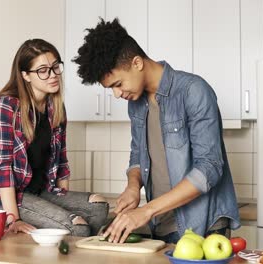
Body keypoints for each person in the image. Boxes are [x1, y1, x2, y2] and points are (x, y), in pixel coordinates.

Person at [72, 19, 240, 243]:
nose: (117, 94)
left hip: (204, 225)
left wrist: (146, 210)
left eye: (118, 84)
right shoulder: (136, 103)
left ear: (137, 63)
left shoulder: (193, 90)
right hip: (163, 223)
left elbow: (210, 167)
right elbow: (137, 155)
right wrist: (133, 187)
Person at [0, 39, 109, 237]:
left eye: (55, 67)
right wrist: (14, 218)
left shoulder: (56, 108)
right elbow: (3, 167)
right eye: (43, 70)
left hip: (40, 191)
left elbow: (61, 162)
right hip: (5, 199)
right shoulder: (6, 106)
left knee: (99, 205)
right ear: (25, 75)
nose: (53, 75)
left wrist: (64, 205)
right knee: (78, 227)